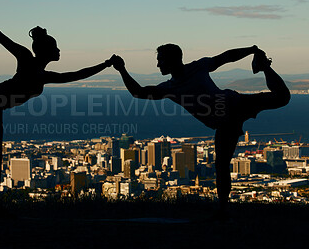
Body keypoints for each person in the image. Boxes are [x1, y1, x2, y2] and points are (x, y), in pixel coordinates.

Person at [0, 9, 113, 218]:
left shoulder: (44, 75)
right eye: (55, 47)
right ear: (45, 50)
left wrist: (105, 65)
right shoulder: (26, 58)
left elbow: (75, 75)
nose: (59, 50)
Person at [109, 44, 290, 218]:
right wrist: (122, 69)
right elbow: (138, 92)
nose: (158, 65)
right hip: (225, 122)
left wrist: (252, 50)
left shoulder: (195, 69)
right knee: (221, 164)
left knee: (283, 97)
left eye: (161, 60)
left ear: (172, 60)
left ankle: (264, 65)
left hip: (234, 105)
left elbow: (226, 57)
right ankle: (223, 210)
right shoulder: (169, 87)